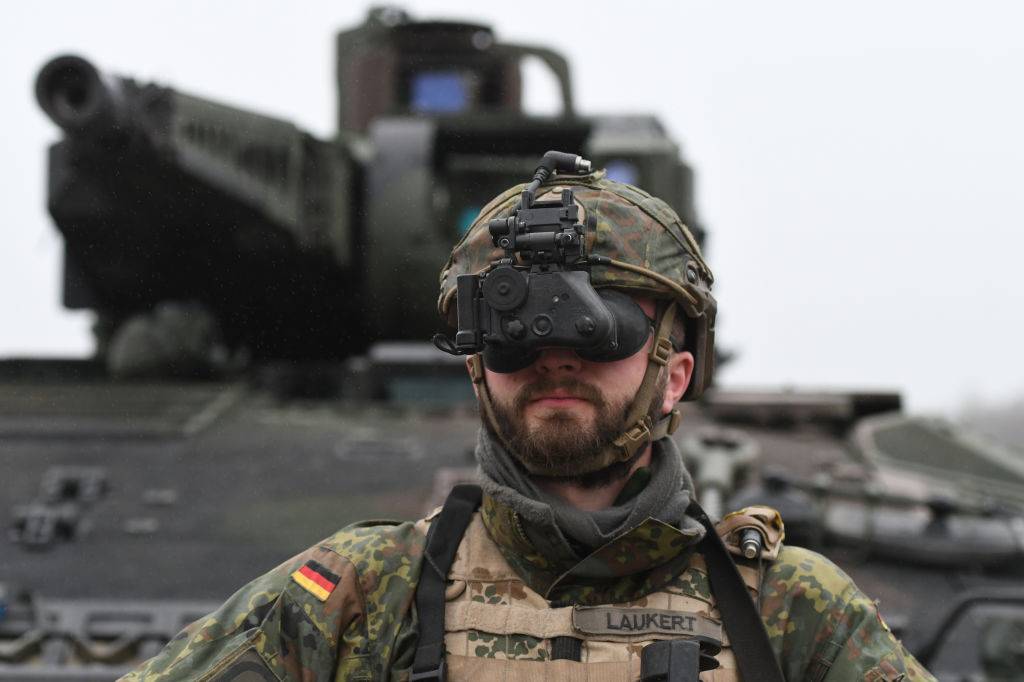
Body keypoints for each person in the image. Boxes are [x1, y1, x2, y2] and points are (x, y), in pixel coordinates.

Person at [122, 157, 934, 681]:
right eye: (517, 331)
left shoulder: (790, 610)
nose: (555, 356)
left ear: (676, 373)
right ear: (477, 369)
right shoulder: (362, 595)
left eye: (598, 325)